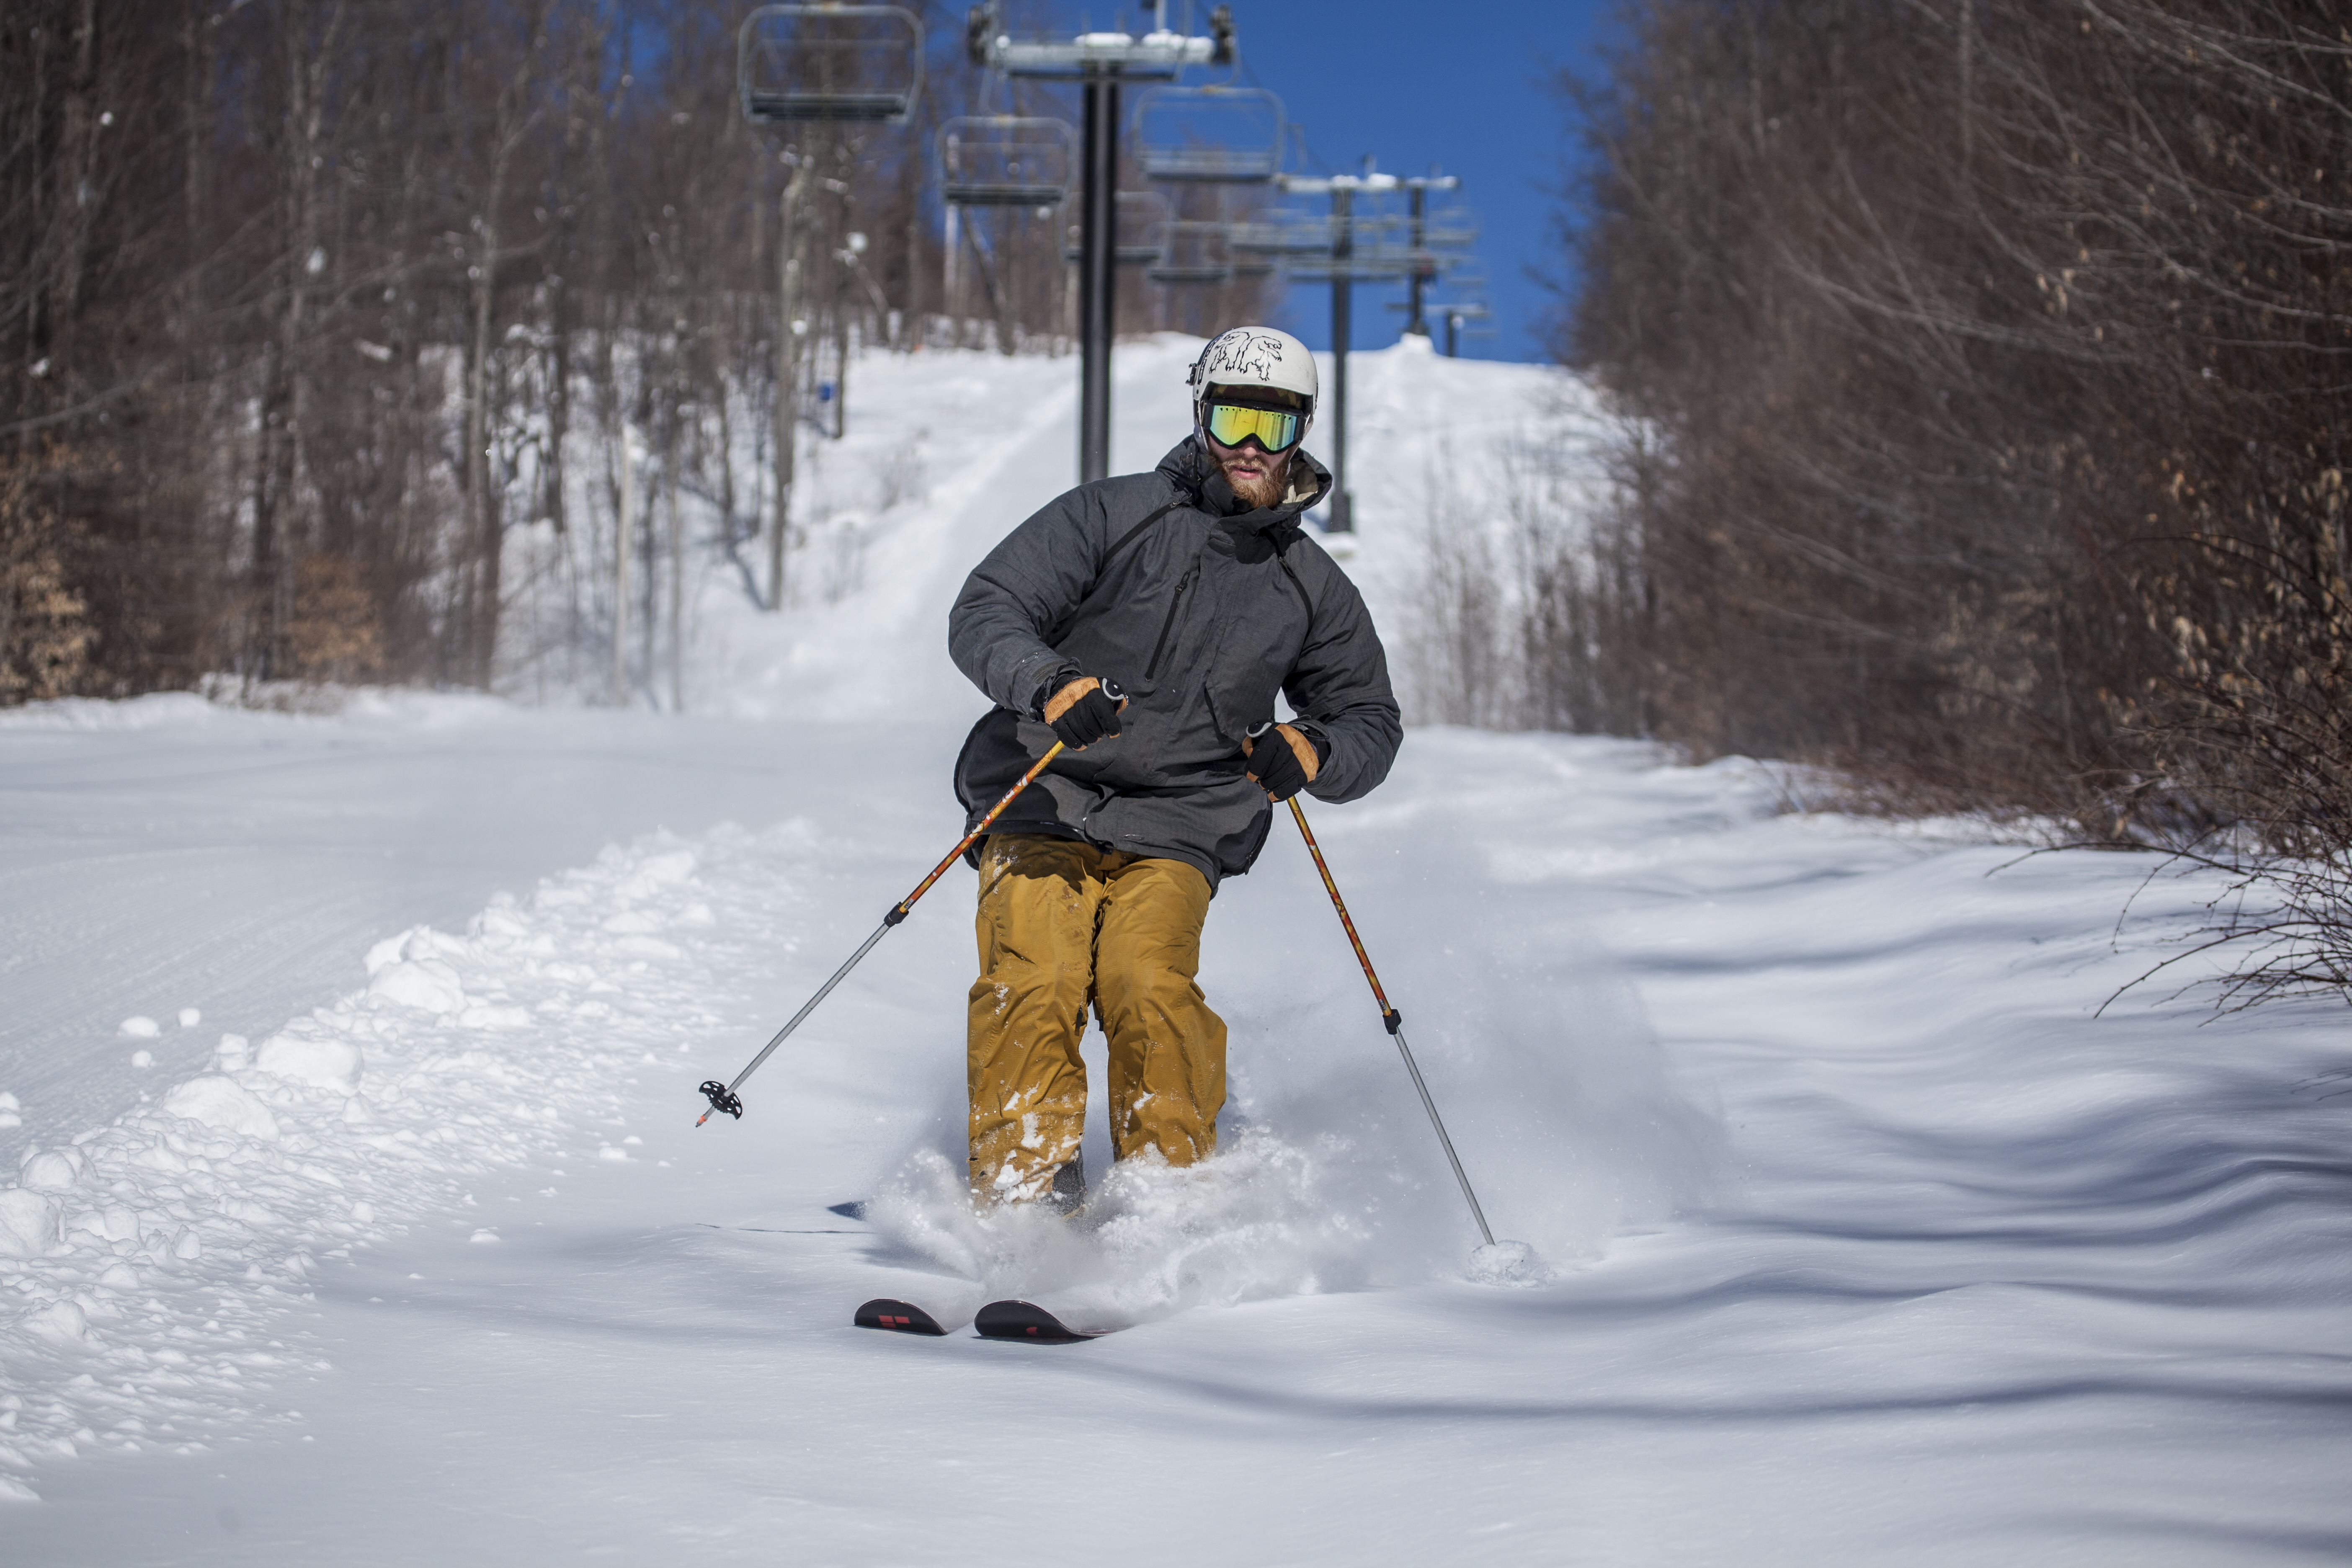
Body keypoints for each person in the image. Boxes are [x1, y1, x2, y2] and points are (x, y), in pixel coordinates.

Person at [946, 325, 1403, 1209]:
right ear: (1201, 416)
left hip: (1186, 821)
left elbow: (1369, 721)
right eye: (1232, 418)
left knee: (1145, 984)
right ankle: (1020, 1198)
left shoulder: (1310, 586)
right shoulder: (1115, 515)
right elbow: (989, 607)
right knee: (1035, 978)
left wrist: (1310, 748)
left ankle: (1165, 1201)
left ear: (1300, 434)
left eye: (1271, 428)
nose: (1247, 447)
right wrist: (1047, 684)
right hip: (1047, 792)